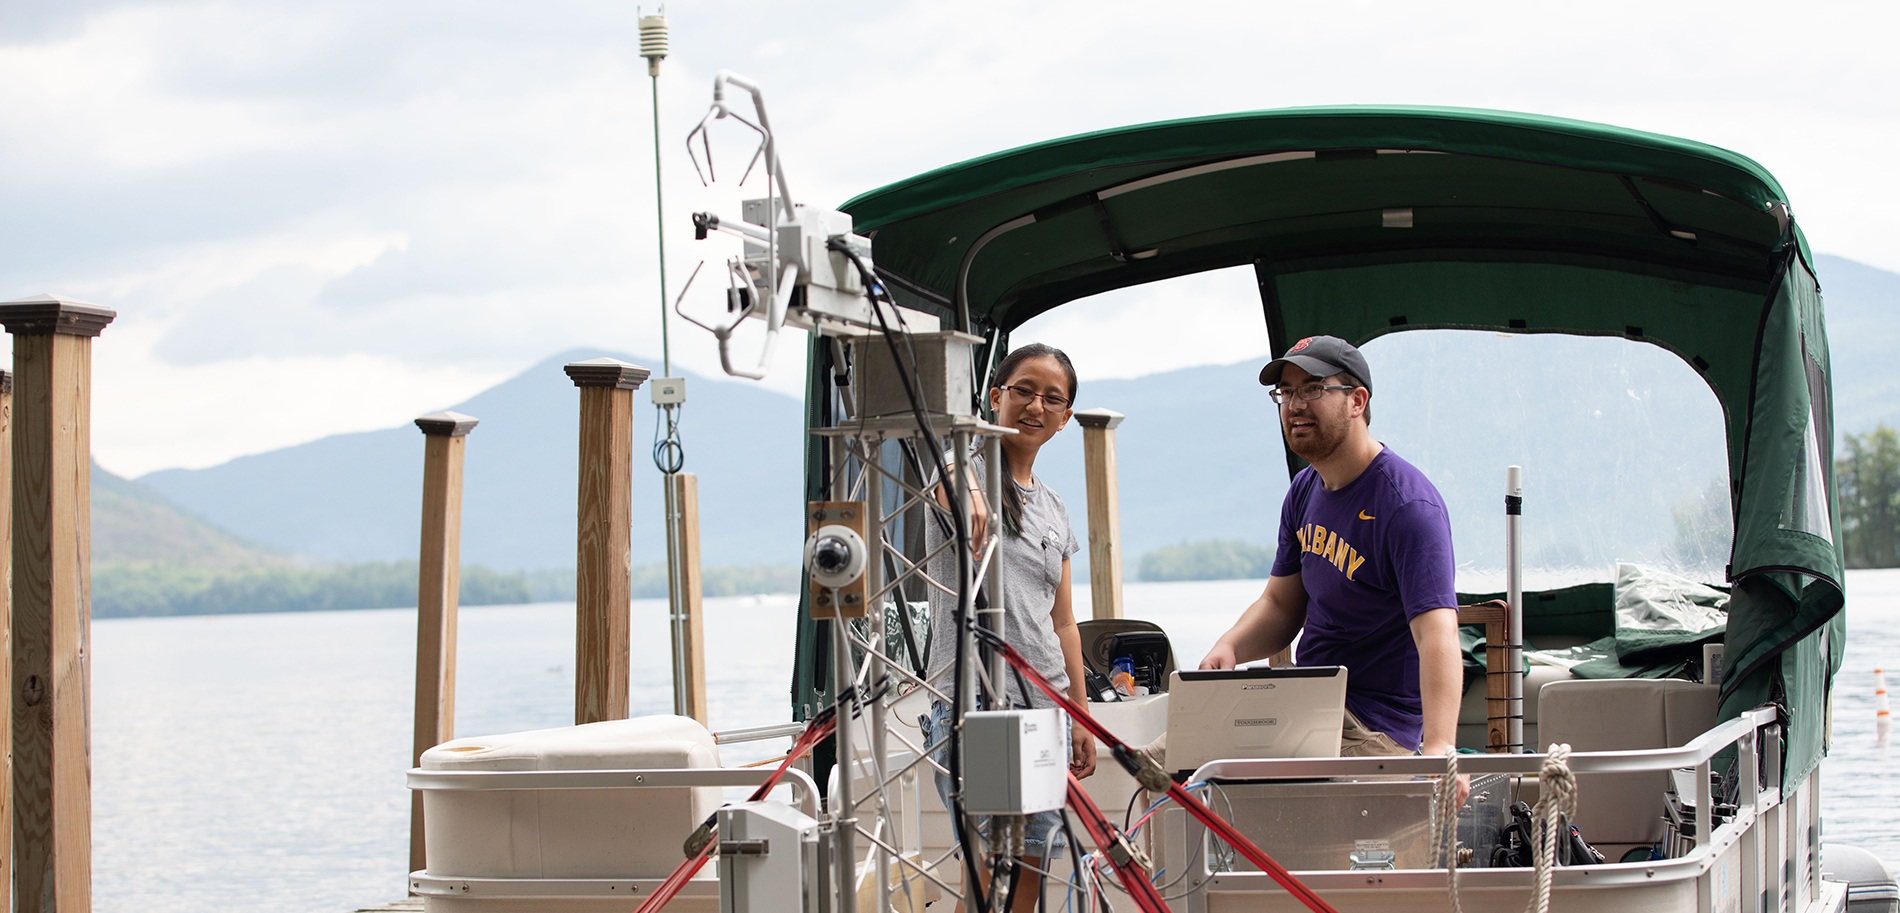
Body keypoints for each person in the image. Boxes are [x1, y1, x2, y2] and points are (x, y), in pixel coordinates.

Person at [1201, 335, 1465, 765]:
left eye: (1312, 388)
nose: (1294, 404)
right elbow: (1280, 605)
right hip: (1306, 706)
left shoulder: (1408, 508)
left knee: (1223, 780)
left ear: (1357, 401)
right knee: (1159, 764)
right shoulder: (1304, 490)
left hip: (1375, 728)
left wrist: (1439, 749)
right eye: (1285, 392)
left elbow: (1437, 633)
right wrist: (1230, 646)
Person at [919, 342, 1096, 913]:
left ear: (1066, 417)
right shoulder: (961, 474)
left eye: (1053, 398)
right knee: (990, 868)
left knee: (1031, 866)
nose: (1035, 406)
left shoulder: (1054, 507)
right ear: (995, 396)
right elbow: (947, 475)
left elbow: (1064, 623)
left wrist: (1081, 715)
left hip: (1045, 708)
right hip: (977, 705)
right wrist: (965, 476)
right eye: (1023, 390)